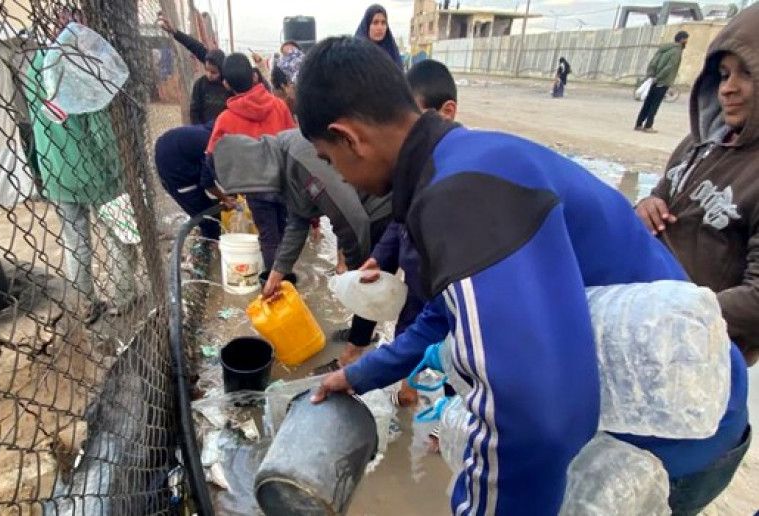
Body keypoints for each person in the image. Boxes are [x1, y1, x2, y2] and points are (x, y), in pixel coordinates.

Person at [298, 36, 749, 515]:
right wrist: (365, 373)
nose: (340, 177)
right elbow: (447, 312)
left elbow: (531, 420)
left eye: (330, 160)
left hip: (675, 432)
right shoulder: (468, 160)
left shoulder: (461, 199)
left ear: (349, 137)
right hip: (691, 400)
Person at [635, 5, 759, 367]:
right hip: (646, 335)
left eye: (746, 74)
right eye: (722, 74)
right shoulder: (699, 143)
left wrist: (671, 314)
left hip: (699, 359)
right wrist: (645, 206)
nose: (728, 89)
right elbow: (663, 197)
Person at [345, 59, 458, 382]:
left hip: (443, 287)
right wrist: (379, 259)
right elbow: (398, 223)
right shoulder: (416, 171)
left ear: (446, 111)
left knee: (455, 353)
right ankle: (408, 382)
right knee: (409, 328)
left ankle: (446, 412)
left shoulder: (454, 178)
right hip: (415, 279)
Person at [25, 8, 137, 324]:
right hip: (97, 172)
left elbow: (35, 122)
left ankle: (86, 303)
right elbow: (101, 130)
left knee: (76, 242)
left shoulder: (35, 66)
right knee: (121, 235)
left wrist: (39, 168)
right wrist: (120, 169)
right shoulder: (82, 66)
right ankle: (123, 297)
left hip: (56, 170)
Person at [212, 128, 391, 298]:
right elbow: (298, 220)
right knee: (365, 291)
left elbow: (351, 220)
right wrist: (277, 273)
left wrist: (354, 272)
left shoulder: (300, 157)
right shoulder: (280, 161)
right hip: (362, 213)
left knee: (369, 289)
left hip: (380, 207)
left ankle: (364, 329)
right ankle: (360, 329)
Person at [203, 53, 296, 272]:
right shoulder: (279, 106)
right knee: (284, 231)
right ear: (254, 77)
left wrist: (229, 185)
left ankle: (276, 287)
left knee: (268, 237)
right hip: (282, 182)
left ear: (226, 83)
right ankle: (286, 278)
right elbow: (294, 143)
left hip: (255, 186)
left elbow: (211, 157)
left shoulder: (226, 119)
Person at [158, 14, 230, 125]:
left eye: (214, 72)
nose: (209, 74)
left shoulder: (230, 83)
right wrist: (175, 32)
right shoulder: (201, 84)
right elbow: (195, 47)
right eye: (207, 70)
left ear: (223, 70)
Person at [635, 31, 689, 133]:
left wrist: (651, 75)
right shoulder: (677, 51)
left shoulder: (664, 48)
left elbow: (653, 62)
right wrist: (659, 77)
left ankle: (638, 124)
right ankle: (648, 126)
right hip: (662, 81)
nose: (687, 41)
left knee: (647, 103)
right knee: (655, 104)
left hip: (653, 79)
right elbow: (669, 67)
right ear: (682, 39)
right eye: (686, 39)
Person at [355, 4, 403, 69]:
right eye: (375, 22)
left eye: (383, 23)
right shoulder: (356, 53)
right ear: (367, 25)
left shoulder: (392, 53)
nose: (380, 28)